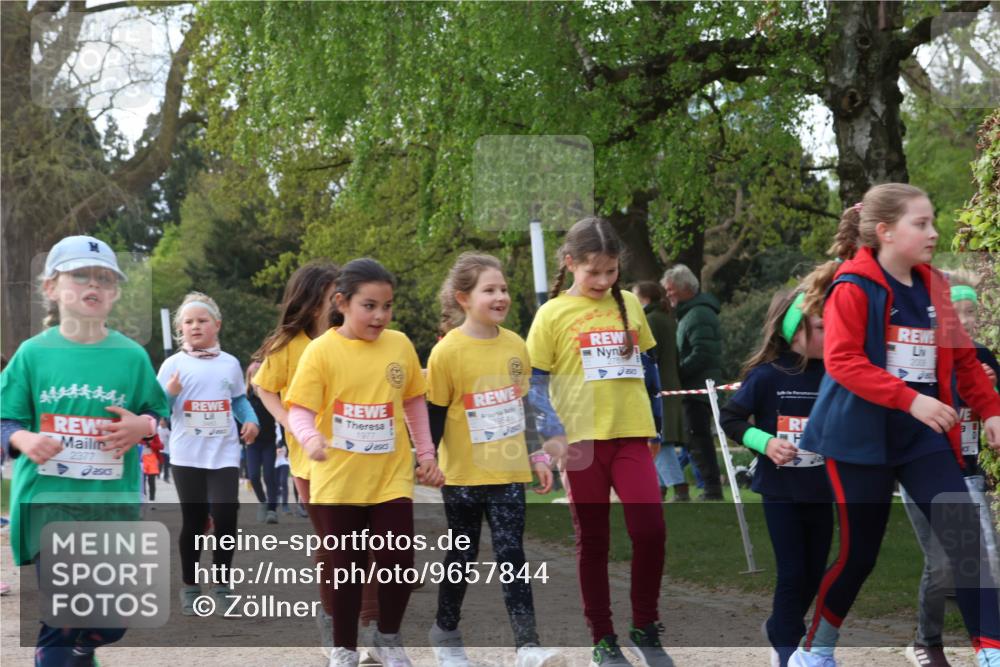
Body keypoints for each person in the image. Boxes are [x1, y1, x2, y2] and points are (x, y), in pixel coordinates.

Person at [790, 184, 1000, 667]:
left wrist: (989, 408)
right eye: (921, 224)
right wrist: (911, 400)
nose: (934, 232)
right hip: (857, 439)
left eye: (933, 221)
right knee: (859, 554)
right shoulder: (852, 286)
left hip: (920, 438)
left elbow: (963, 359)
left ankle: (989, 649)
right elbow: (843, 361)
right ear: (885, 232)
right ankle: (815, 650)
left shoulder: (936, 286)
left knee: (964, 533)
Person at [0, 235, 169, 666]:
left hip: (109, 507)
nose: (93, 285)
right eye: (79, 275)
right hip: (47, 504)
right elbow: (6, 421)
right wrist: (24, 440)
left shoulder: (131, 357)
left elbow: (157, 413)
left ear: (114, 292)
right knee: (62, 617)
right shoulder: (33, 355)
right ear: (51, 288)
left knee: (110, 621)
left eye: (104, 278)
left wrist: (142, 426)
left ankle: (81, 647)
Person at [286, 258, 445, 667]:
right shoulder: (321, 351)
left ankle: (387, 639)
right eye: (369, 306)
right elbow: (300, 410)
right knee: (347, 569)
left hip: (389, 477)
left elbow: (413, 400)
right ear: (342, 303)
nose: (379, 316)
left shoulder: (400, 345)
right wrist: (309, 438)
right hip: (337, 480)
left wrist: (426, 454)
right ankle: (343, 648)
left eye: (387, 306)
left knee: (398, 561)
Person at [525, 217, 670, 667]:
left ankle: (645, 626)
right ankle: (603, 639)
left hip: (631, 435)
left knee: (651, 531)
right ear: (570, 264)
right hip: (581, 443)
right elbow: (534, 383)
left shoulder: (629, 303)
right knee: (594, 540)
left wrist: (657, 428)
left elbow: (650, 371)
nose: (603, 281)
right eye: (594, 273)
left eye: (611, 272)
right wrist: (550, 434)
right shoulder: (550, 314)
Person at [425, 252, 561, 667]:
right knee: (461, 556)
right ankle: (445, 634)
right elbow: (432, 415)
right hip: (463, 475)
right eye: (489, 290)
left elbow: (523, 410)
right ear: (463, 298)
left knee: (511, 555)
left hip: (508, 473)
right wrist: (428, 461)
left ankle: (528, 646)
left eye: (503, 289)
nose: (500, 296)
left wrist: (536, 454)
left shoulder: (516, 345)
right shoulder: (447, 352)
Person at [720, 289, 832, 667]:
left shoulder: (837, 373)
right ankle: (787, 650)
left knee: (815, 573)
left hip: (822, 491)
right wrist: (765, 443)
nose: (830, 332)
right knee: (792, 572)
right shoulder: (768, 376)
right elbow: (730, 418)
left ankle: (778, 627)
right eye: (821, 326)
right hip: (780, 491)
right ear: (794, 332)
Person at [901, 272, 1000, 667]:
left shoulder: (986, 358)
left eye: (970, 311)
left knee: (985, 557)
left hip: (969, 471)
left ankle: (989, 648)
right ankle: (926, 641)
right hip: (925, 470)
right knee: (942, 562)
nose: (964, 318)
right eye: (954, 312)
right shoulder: (930, 358)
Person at [252, 261, 341, 654]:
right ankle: (333, 621)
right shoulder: (288, 346)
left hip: (359, 457)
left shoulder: (352, 337)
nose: (341, 300)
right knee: (335, 544)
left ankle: (372, 627)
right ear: (312, 299)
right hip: (312, 462)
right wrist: (290, 420)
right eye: (333, 294)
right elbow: (263, 387)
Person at [158, 291, 260, 616]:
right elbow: (157, 407)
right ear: (180, 329)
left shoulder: (229, 363)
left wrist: (252, 421)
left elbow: (239, 400)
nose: (195, 326)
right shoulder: (173, 365)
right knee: (195, 520)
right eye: (188, 322)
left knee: (227, 517)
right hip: (187, 455)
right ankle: (190, 584)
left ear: (216, 325)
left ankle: (222, 584)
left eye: (202, 320)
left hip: (223, 453)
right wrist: (170, 394)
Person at [661, 264, 724, 500]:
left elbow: (703, 353)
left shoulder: (698, 315)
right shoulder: (691, 314)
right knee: (695, 439)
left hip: (698, 388)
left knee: (699, 439)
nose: (668, 295)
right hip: (694, 387)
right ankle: (709, 487)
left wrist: (677, 374)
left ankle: (711, 489)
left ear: (685, 288)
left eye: (671, 290)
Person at [633, 281, 690, 502]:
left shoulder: (650, 321)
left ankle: (678, 487)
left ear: (644, 298)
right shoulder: (667, 319)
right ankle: (660, 488)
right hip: (670, 383)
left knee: (659, 437)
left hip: (658, 386)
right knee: (657, 438)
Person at [245, 361, 279, 523]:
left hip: (269, 442)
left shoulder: (271, 396)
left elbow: (280, 417)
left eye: (260, 375)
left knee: (269, 475)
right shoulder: (245, 399)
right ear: (249, 378)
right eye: (254, 375)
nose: (256, 379)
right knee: (253, 476)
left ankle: (272, 510)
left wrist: (283, 444)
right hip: (252, 444)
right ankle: (263, 502)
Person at [275, 443, 291, 514]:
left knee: (283, 481)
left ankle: (285, 504)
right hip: (273, 460)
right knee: (275, 482)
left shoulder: (283, 431)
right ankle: (277, 496)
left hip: (284, 460)